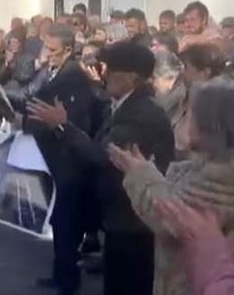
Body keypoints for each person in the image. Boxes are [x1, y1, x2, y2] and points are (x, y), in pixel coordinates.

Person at [30, 41, 175, 295]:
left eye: (108, 67)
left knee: (127, 284)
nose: (102, 73)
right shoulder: (123, 103)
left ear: (132, 77)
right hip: (119, 216)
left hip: (134, 220)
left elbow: (103, 155)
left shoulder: (142, 112)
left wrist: (63, 126)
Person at [111, 77, 234, 295]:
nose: (185, 121)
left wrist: (140, 174)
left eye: (192, 115)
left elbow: (168, 215)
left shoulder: (219, 179)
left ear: (210, 126)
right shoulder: (209, 168)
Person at [16, 24, 97, 295]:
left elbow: (67, 118)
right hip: (57, 160)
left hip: (70, 161)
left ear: (68, 49)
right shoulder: (53, 71)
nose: (48, 54)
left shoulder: (74, 77)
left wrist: (30, 123)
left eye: (53, 49)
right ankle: (60, 274)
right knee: (60, 220)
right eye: (46, 48)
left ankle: (68, 280)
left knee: (66, 222)